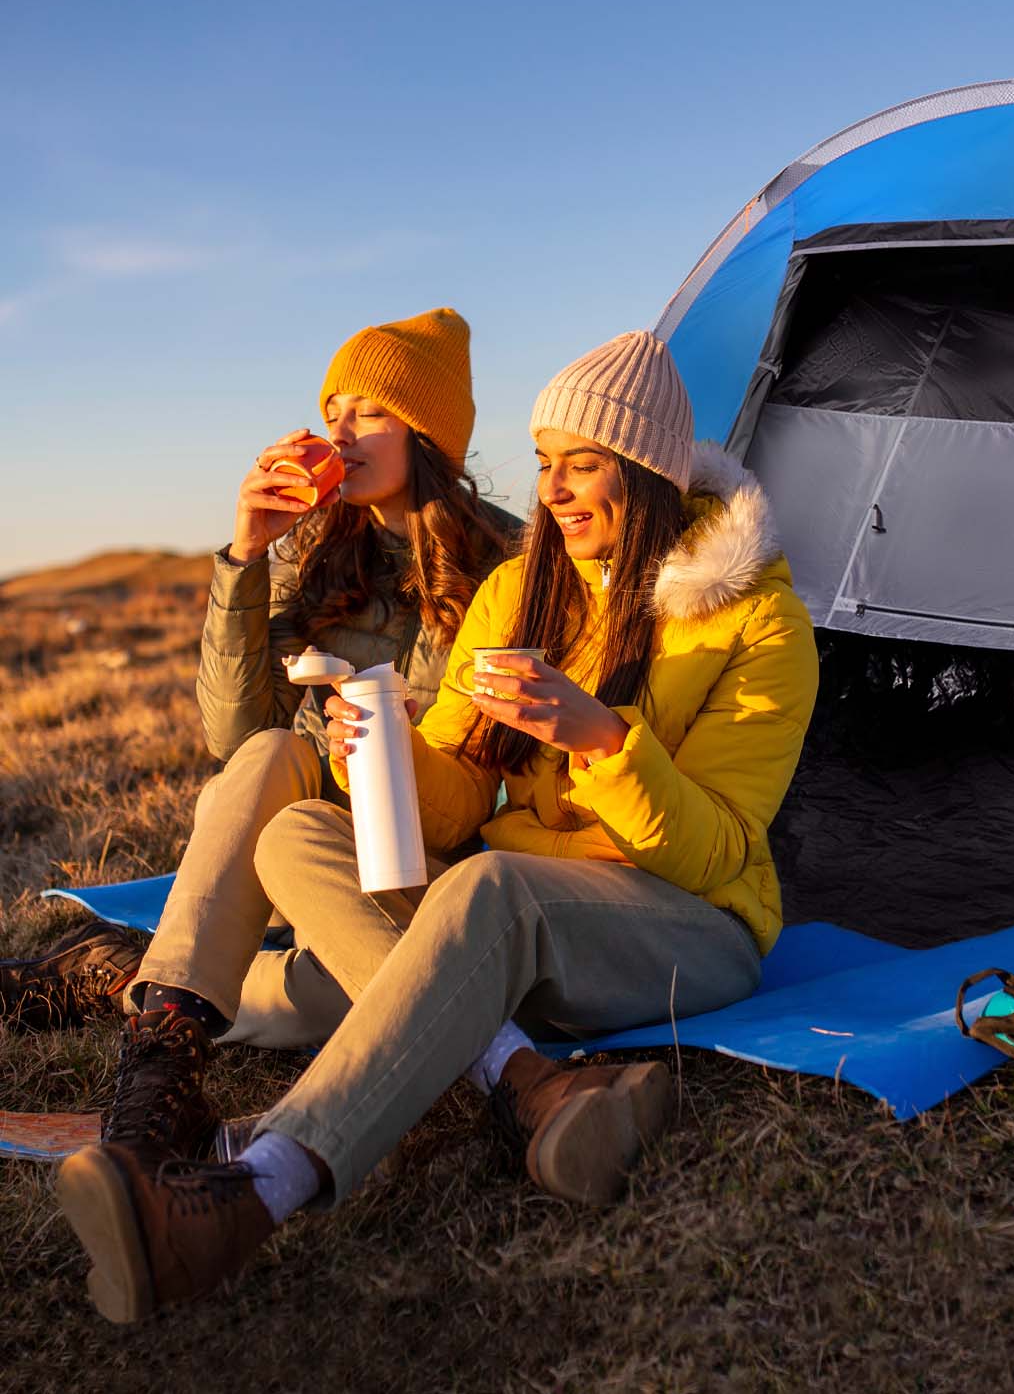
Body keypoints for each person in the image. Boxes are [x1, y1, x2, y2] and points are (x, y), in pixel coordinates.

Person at [55, 329, 819, 1322]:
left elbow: (719, 846)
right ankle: (520, 1076)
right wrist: (374, 744)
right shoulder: (521, 591)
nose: (557, 489)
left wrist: (603, 742)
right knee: (296, 839)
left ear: (648, 472)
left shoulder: (758, 623)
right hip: (523, 916)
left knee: (480, 892)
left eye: (584, 467)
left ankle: (249, 1194)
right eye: (547, 465)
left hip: (689, 921)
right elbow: (458, 788)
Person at [6, 307, 516, 1161]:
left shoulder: (509, 561)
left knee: (339, 1001)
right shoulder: (314, 549)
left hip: (432, 861)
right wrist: (246, 557)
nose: (342, 432)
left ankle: (128, 972)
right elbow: (234, 736)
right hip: (295, 845)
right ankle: (158, 1071)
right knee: (275, 749)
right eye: (333, 411)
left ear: (427, 433)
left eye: (371, 412)